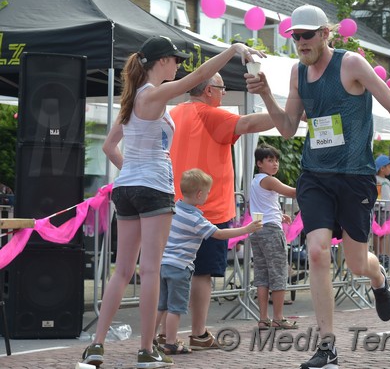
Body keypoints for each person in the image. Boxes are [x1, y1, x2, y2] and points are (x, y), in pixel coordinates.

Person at [246, 4, 390, 368]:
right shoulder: (298, 73)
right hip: (315, 175)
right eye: (295, 36)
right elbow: (288, 128)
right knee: (317, 251)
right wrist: (266, 93)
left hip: (355, 176)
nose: (300, 42)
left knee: (357, 262)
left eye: (307, 35)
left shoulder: (352, 64)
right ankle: (327, 346)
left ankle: (378, 276)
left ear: (326, 33)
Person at [84, 36, 263, 368]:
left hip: (126, 189)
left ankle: (96, 345)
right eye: (175, 60)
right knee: (150, 270)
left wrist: (133, 172)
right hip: (153, 188)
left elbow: (110, 148)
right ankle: (146, 350)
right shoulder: (153, 94)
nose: (179, 65)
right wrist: (234, 49)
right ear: (161, 61)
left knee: (122, 271)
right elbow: (196, 79)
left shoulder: (130, 99)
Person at [168, 72, 274, 350]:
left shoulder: (174, 112)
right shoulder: (210, 114)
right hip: (209, 210)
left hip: (173, 208)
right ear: (208, 90)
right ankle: (199, 333)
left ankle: (162, 335)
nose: (224, 93)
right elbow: (248, 123)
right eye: (222, 88)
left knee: (168, 273)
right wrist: (289, 114)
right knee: (202, 275)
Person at [155, 169, 262, 354]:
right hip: (180, 267)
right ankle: (171, 343)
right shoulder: (196, 218)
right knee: (175, 308)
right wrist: (247, 229)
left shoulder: (174, 209)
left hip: (164, 264)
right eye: (207, 192)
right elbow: (219, 234)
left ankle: (150, 339)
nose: (207, 195)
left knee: (161, 306)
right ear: (199, 194)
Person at [249, 144, 298, 331]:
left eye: (276, 160)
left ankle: (263, 319)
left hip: (257, 229)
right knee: (278, 273)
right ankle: (278, 317)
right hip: (270, 231)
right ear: (259, 163)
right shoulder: (269, 180)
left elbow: (264, 204)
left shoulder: (255, 181)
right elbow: (292, 192)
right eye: (270, 160)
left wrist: (280, 215)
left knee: (262, 274)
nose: (275, 164)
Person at [373, 154, 390, 270]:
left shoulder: (387, 181)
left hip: (388, 209)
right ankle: (379, 255)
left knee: (387, 233)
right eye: (388, 166)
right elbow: (378, 195)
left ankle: (384, 255)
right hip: (381, 209)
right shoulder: (377, 180)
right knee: (379, 233)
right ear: (382, 168)